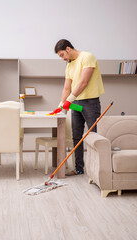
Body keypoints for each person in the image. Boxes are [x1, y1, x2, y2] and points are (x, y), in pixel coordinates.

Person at [52, 39, 105, 176]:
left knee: (94, 136)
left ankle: (98, 169)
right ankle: (79, 168)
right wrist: (60, 104)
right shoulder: (69, 65)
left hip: (90, 103)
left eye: (62, 55)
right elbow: (66, 87)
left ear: (68, 49)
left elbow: (84, 82)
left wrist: (69, 100)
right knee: (77, 136)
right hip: (76, 104)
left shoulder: (87, 57)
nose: (62, 58)